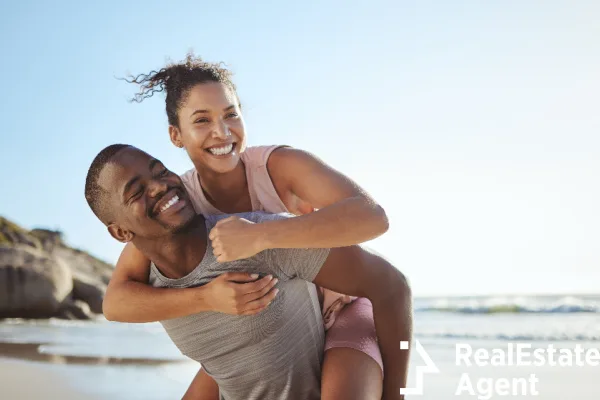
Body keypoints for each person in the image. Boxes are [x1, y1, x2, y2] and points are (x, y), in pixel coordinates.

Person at [104, 54, 412, 399]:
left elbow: (372, 218)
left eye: (231, 114)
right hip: (266, 332)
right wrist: (205, 298)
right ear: (176, 135)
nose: (221, 132)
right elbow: (116, 302)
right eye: (201, 120)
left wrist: (260, 235)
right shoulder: (177, 203)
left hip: (338, 312)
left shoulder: (278, 167)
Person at [86, 144, 409, 400]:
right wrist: (206, 298)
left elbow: (391, 284)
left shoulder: (253, 237)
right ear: (120, 233)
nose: (157, 186)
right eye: (136, 191)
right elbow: (114, 306)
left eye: (159, 170)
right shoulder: (146, 282)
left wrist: (399, 395)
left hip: (343, 326)